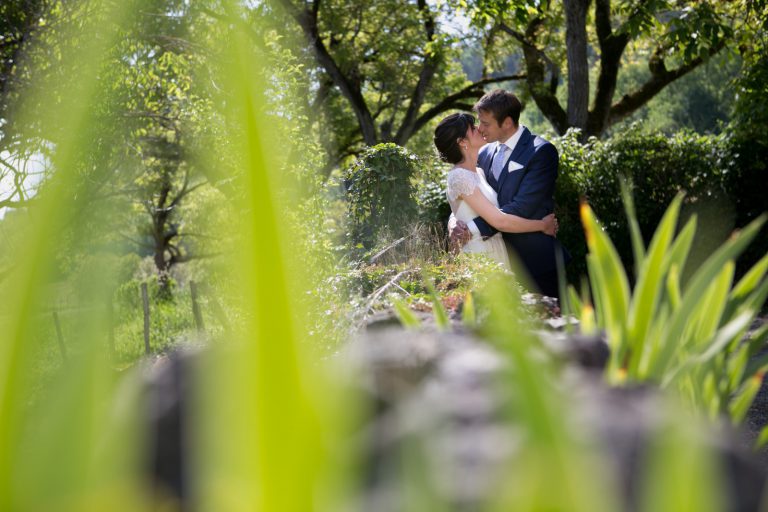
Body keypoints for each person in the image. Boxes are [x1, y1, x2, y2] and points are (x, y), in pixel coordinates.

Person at [448, 89, 569, 297]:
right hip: (496, 260)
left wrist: (470, 229)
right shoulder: (484, 153)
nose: (480, 128)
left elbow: (523, 206)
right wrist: (454, 223)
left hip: (535, 262)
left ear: (507, 122)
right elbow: (469, 196)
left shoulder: (541, 152)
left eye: (486, 123)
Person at [435, 112, 558, 271]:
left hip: (496, 249)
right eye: (473, 128)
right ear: (462, 142)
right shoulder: (459, 176)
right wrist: (542, 225)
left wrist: (455, 220)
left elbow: (464, 210)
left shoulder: (478, 172)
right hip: (479, 254)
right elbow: (500, 221)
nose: (479, 128)